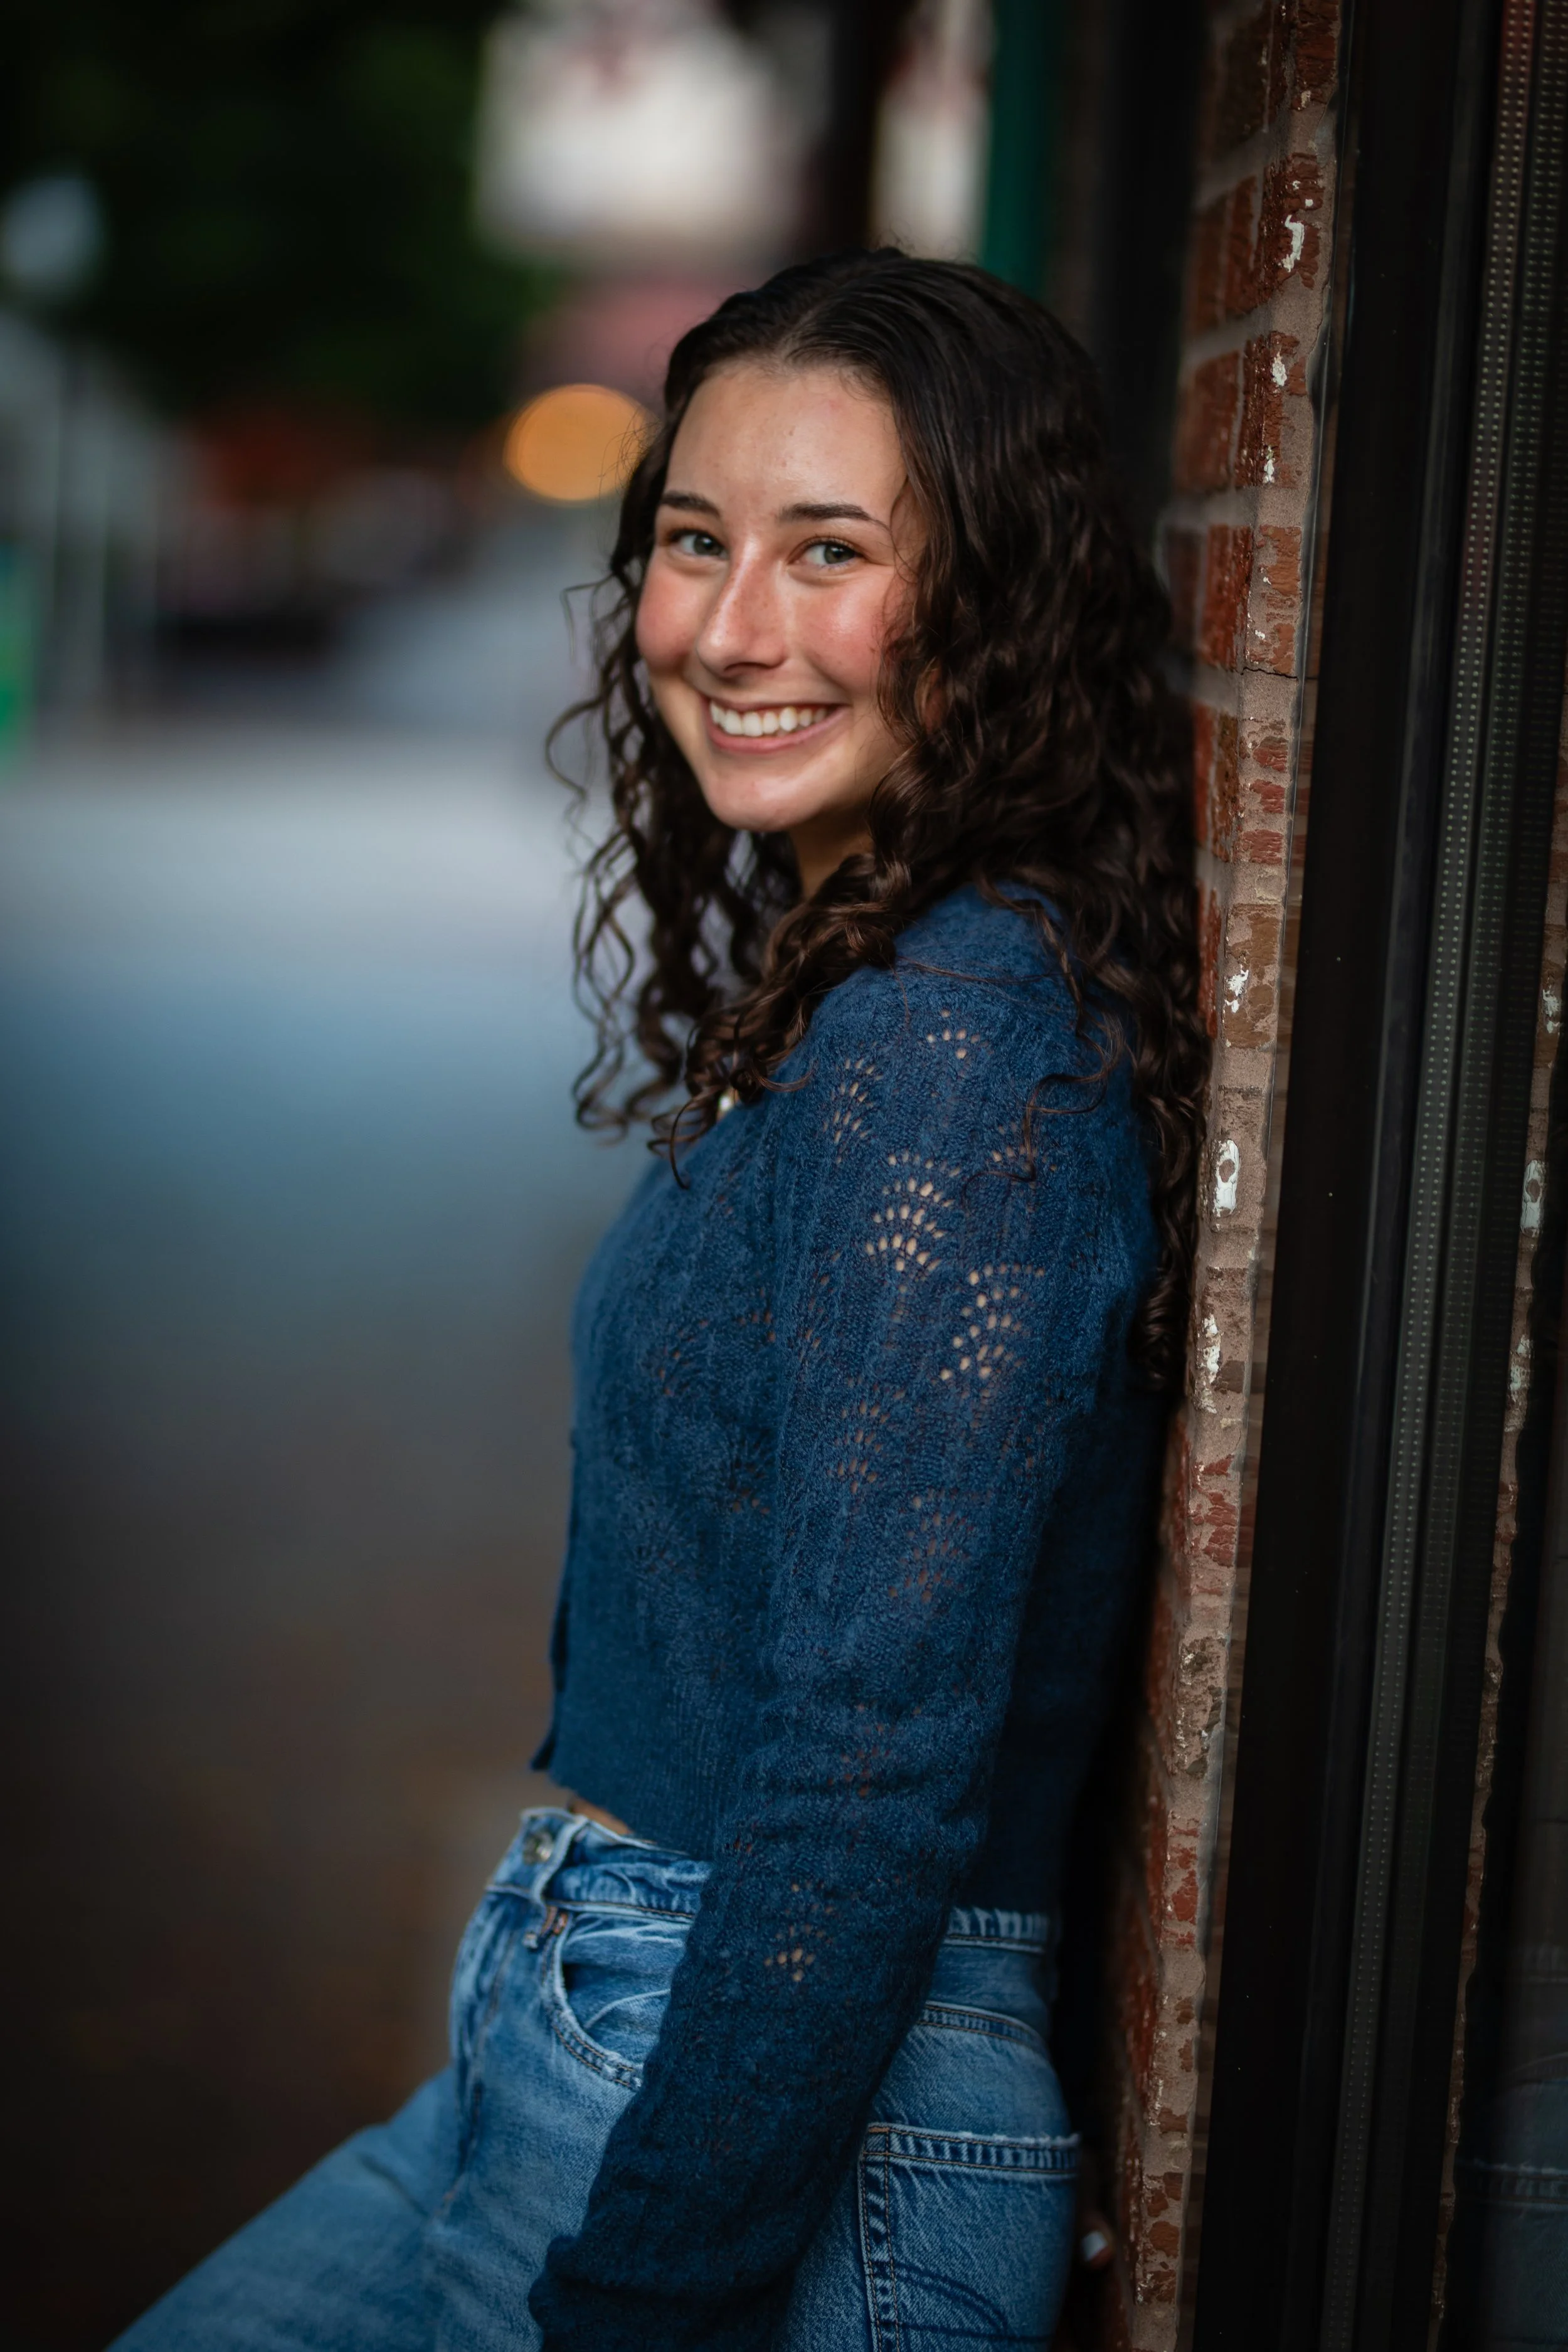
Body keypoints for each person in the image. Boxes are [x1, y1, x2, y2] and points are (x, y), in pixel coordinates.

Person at [115, 249, 1204, 2352]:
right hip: (618, 2026)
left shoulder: (951, 1053)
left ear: (997, 601)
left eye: (831, 552)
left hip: (752, 2095)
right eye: (695, 541)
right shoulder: (885, 992)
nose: (731, 628)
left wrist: (656, 2294)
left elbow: (873, 1762)